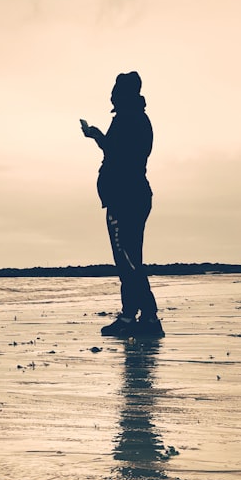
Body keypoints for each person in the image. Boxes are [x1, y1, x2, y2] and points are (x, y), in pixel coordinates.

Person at [80, 71, 163, 338]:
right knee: (130, 260)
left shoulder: (130, 119)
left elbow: (119, 154)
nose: (112, 95)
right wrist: (96, 135)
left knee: (127, 262)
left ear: (123, 94)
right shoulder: (135, 118)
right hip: (132, 196)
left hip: (125, 198)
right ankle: (142, 317)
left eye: (116, 91)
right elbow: (118, 151)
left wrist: (98, 137)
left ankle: (139, 317)